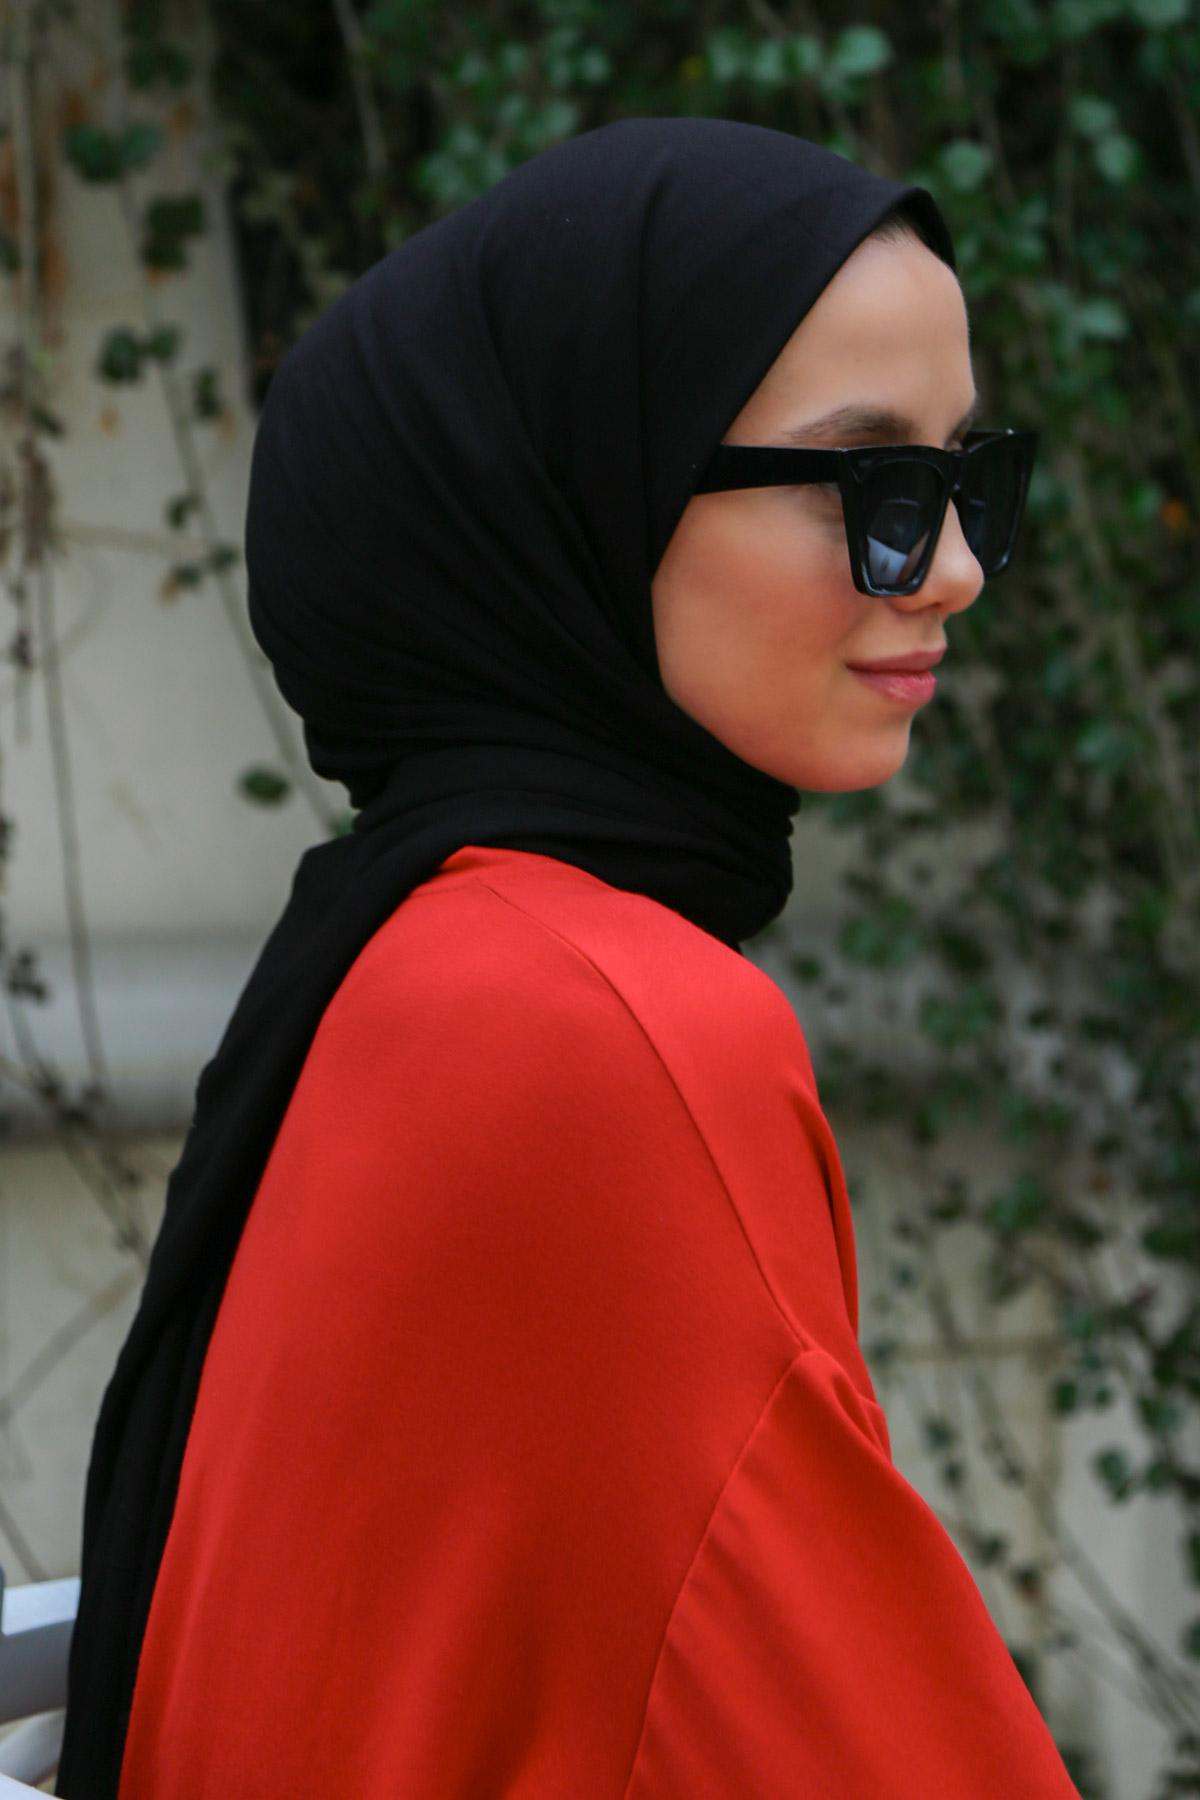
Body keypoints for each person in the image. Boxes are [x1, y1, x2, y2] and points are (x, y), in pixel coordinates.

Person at [56, 116, 1072, 1798]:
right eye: (875, 487)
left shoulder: (416, 951)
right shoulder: (603, 1028)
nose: (955, 569)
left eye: (973, 478)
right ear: (588, 492)